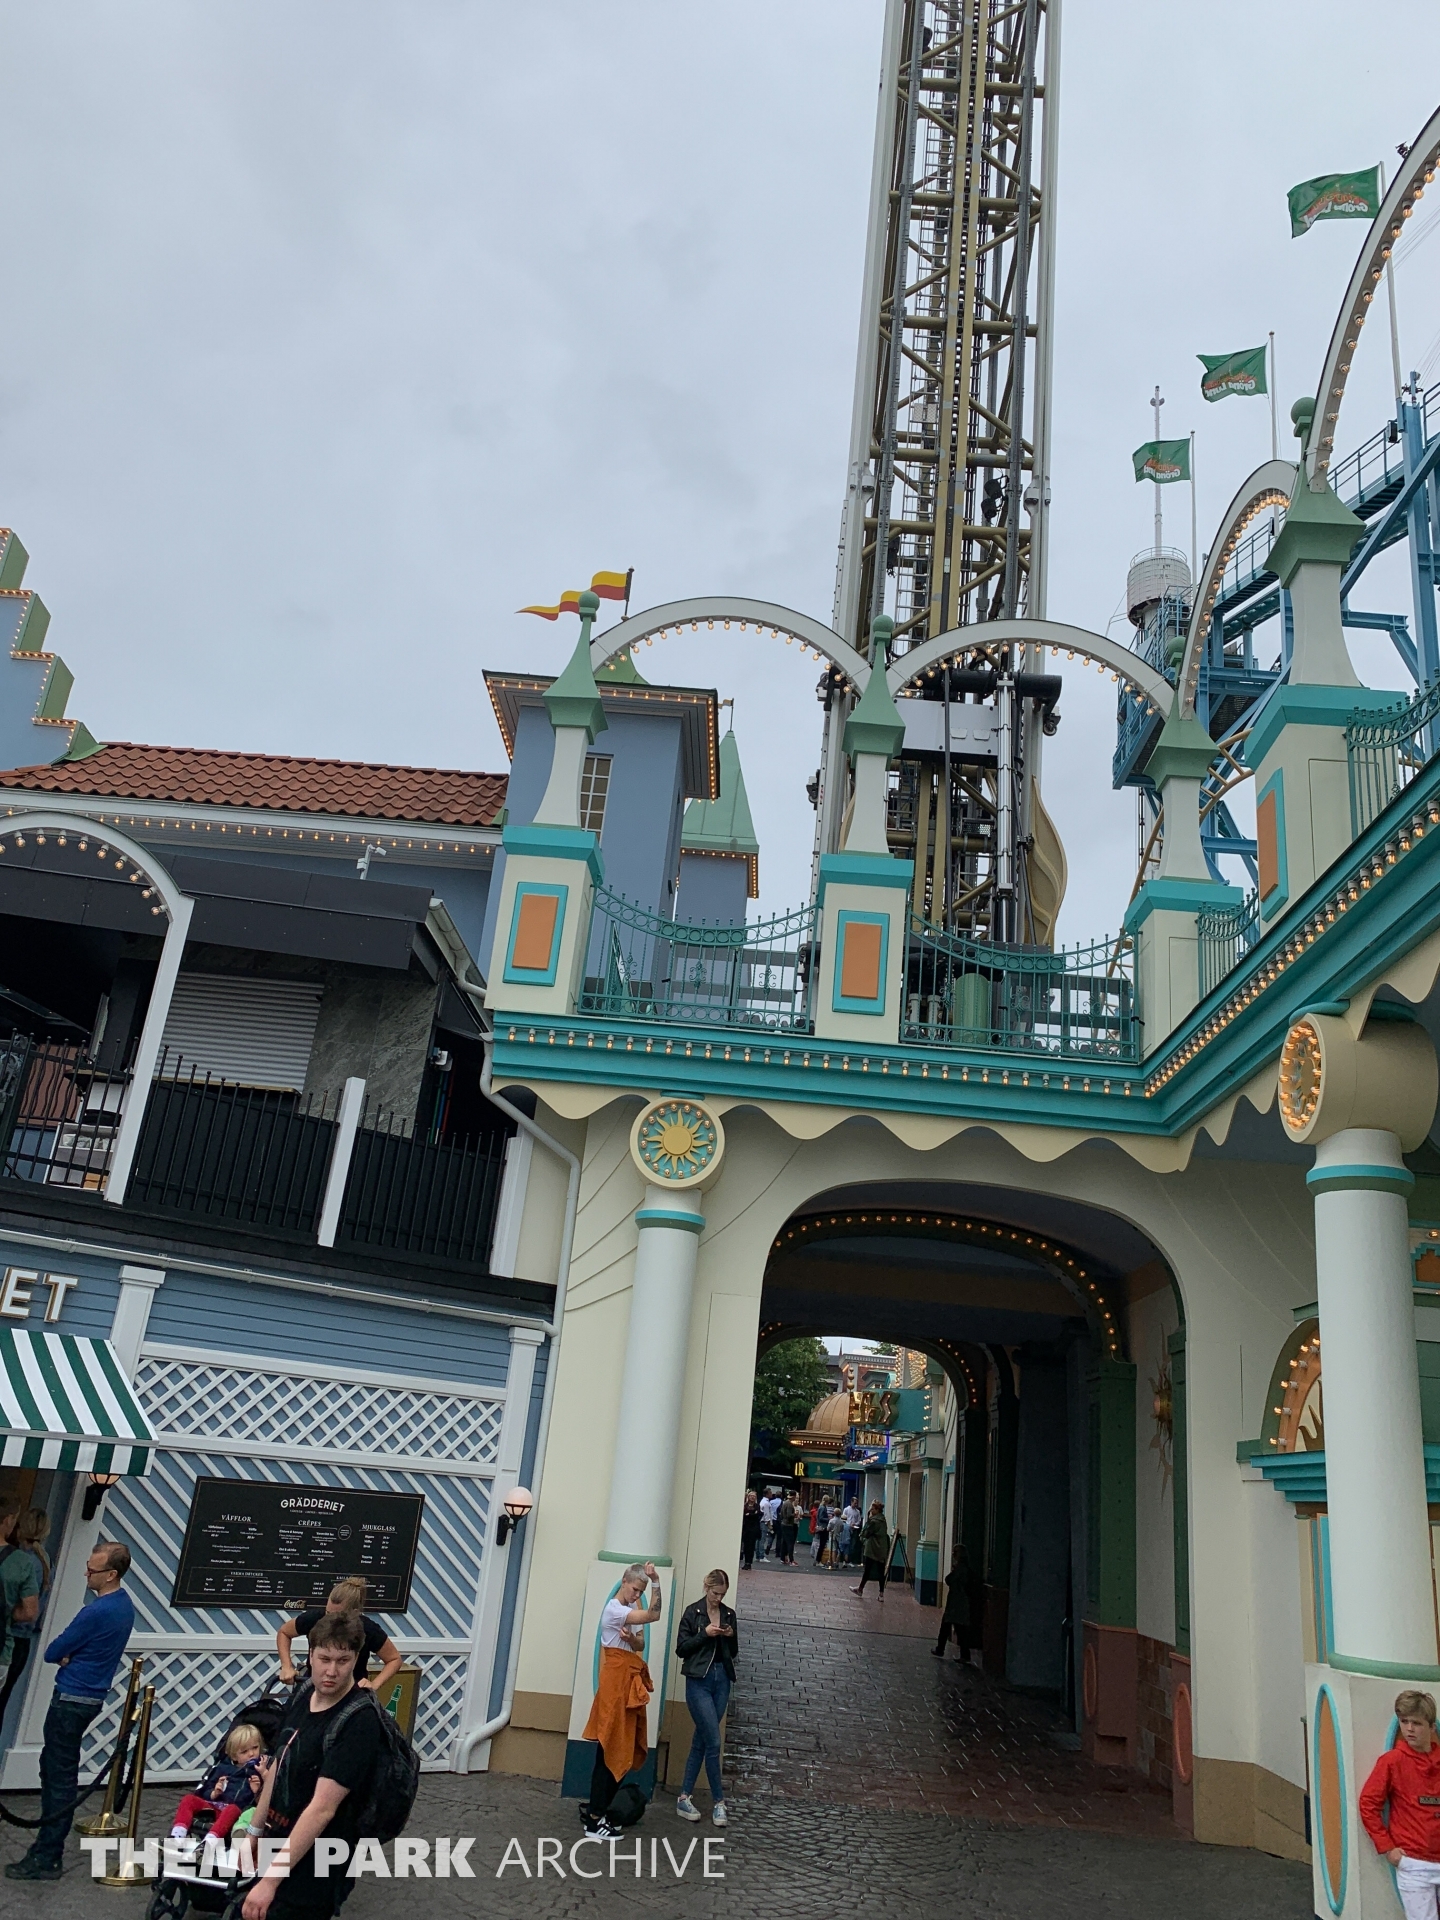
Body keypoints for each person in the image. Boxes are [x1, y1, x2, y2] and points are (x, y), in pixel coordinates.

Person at [5, 1540, 136, 1883]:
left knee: (58, 1774)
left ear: (111, 1574)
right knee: (57, 1767)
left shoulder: (95, 1611)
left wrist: (67, 1656)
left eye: (93, 1570)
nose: (86, 1574)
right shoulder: (124, 1606)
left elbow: (54, 1650)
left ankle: (48, 1853)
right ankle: (47, 1847)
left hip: (72, 1696)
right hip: (90, 1696)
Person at [243, 1610, 383, 1919]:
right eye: (324, 1659)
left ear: (356, 1659)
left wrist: (270, 1881)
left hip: (318, 1862)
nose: (331, 1671)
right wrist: (255, 1830)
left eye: (343, 1661)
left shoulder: (359, 1721)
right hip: (278, 1839)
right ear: (310, 1655)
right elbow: (279, 1763)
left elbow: (323, 1808)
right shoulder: (304, 1693)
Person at [580, 1561, 661, 1836]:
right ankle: (595, 1818)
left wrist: (632, 1640)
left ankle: (598, 1812)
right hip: (616, 1685)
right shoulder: (615, 1610)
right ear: (624, 1581)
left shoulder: (628, 1610)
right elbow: (654, 1615)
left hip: (625, 1684)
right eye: (635, 1589)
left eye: (641, 1592)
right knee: (610, 1748)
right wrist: (656, 1581)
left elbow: (640, 1644)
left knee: (618, 1746)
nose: (637, 1595)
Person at [1359, 1688, 1440, 1914]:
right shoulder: (1392, 1762)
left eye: (1417, 1723)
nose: (1410, 1729)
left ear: (1431, 1727)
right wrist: (1387, 1847)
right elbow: (1368, 1804)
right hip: (1414, 1864)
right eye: (1404, 1722)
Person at [673, 1569, 738, 1827]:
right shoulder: (693, 1612)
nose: (718, 1598)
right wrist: (705, 1634)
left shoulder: (729, 1614)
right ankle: (719, 1802)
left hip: (722, 1680)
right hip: (698, 1680)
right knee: (713, 1740)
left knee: (702, 1739)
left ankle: (684, 1797)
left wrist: (730, 1636)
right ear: (706, 1587)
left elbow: (733, 1652)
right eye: (715, 1593)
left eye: (722, 1594)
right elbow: (681, 1649)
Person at [277, 1579, 402, 1696]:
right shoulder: (315, 1619)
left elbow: (394, 1659)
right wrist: (286, 1666)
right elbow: (284, 1632)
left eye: (338, 1616)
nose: (330, 1619)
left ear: (355, 1613)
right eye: (328, 1613)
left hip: (352, 1692)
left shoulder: (368, 1629)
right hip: (315, 1687)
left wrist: (374, 1684)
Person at [170, 1722, 267, 1843]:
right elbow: (204, 1790)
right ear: (234, 1756)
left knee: (232, 1809)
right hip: (214, 1807)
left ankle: (210, 1840)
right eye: (244, 1752)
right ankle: (178, 1835)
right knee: (188, 1799)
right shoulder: (222, 1768)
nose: (251, 1754)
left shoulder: (260, 1771)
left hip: (237, 1813)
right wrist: (214, 1792)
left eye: (255, 1748)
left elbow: (264, 1803)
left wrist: (257, 1790)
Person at [0, 1507, 52, 1733]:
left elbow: (28, 1609)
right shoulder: (45, 1561)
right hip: (23, 1639)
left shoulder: (20, 1560)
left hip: (9, 1635)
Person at [933, 1543, 971, 1657]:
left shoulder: (960, 1569)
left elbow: (949, 1580)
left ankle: (941, 1649)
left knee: (950, 1627)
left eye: (955, 1552)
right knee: (958, 1629)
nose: (953, 1555)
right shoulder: (964, 1568)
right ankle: (963, 1654)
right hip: (958, 1602)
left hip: (956, 1603)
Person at [852, 1501, 891, 1598]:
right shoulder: (883, 1520)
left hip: (871, 1548)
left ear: (877, 1510)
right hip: (881, 1549)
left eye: (872, 1509)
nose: (871, 1511)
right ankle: (881, 1593)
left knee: (867, 1570)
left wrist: (868, 1519)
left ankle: (860, 1589)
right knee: (881, 1571)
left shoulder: (873, 1521)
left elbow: (865, 1533)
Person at [739, 1492, 760, 1572]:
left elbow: (757, 1515)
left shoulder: (757, 1506)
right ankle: (745, 1561)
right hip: (745, 1528)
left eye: (754, 1496)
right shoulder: (744, 1505)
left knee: (751, 1546)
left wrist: (749, 1515)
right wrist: (752, 1514)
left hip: (753, 1529)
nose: (752, 1497)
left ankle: (749, 1562)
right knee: (745, 1546)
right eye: (751, 1496)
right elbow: (744, 1515)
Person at [776, 1494, 797, 1567]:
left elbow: (781, 1514)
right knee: (790, 1543)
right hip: (788, 1525)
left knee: (784, 1542)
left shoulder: (785, 1502)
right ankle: (791, 1560)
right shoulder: (789, 1504)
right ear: (793, 1497)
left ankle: (783, 1558)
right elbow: (788, 1515)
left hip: (783, 1524)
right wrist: (794, 1514)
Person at [811, 1499, 830, 1567]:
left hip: (820, 1527)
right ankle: (818, 1560)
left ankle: (817, 1560)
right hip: (823, 1527)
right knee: (822, 1544)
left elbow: (818, 1517)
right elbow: (821, 1518)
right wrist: (828, 1519)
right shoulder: (822, 1508)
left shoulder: (820, 1507)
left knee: (819, 1544)